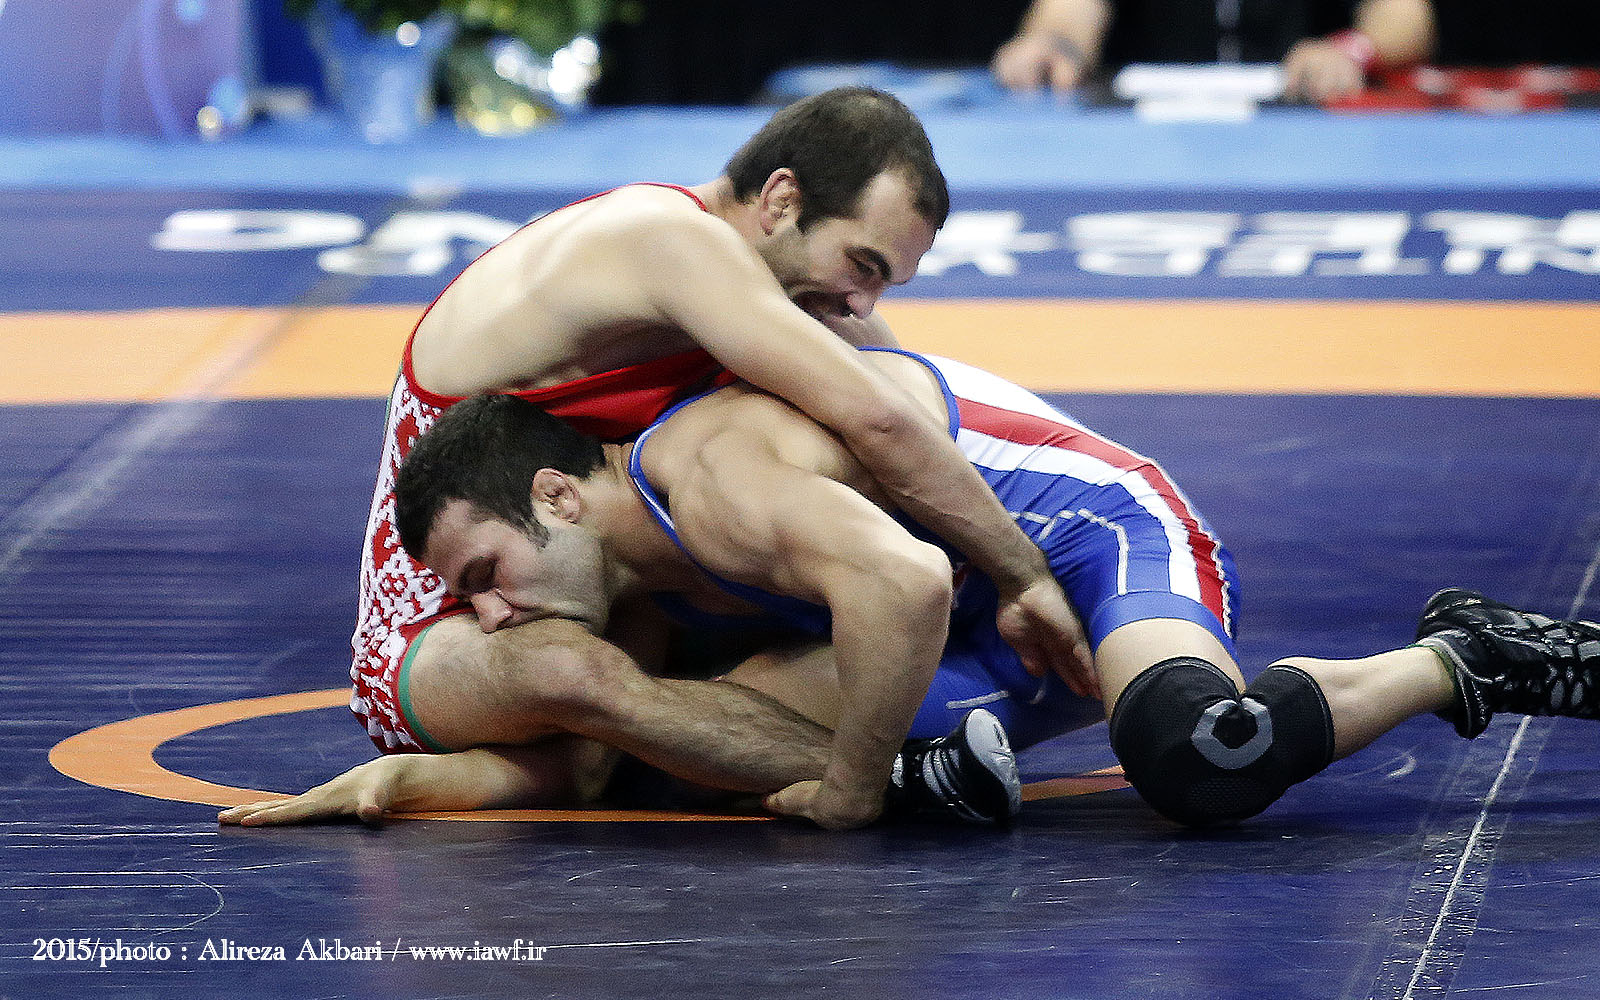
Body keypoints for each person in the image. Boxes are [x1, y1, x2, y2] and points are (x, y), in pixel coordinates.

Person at [222, 348, 1600, 830]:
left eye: (483, 577)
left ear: (558, 495)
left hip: (1082, 535)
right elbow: (588, 768)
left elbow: (900, 575)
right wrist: (404, 782)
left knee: (1202, 758)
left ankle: (1462, 661)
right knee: (701, 752)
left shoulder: (707, 474)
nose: (489, 616)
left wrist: (848, 787)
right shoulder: (620, 588)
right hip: (954, 606)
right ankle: (925, 768)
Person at [349, 87, 1093, 819]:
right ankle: (896, 778)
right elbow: (881, 422)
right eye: (861, 265)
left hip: (586, 570)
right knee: (572, 673)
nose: (862, 301)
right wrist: (1023, 575)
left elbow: (902, 408)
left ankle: (570, 763)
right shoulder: (667, 241)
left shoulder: (784, 295)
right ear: (780, 200)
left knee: (625, 733)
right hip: (447, 606)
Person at [990, 0, 1434, 103]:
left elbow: (1405, 14)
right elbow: (1071, 8)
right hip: (1143, 134)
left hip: (1307, 116)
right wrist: (1055, 43)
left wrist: (1350, 50)